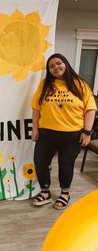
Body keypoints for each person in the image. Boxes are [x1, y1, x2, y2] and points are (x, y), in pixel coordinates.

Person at [31, 53, 96, 210]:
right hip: (46, 133)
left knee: (65, 164)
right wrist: (34, 129)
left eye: (58, 63)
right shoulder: (44, 84)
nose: (55, 67)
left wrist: (87, 132)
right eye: (51, 66)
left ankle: (65, 193)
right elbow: (36, 108)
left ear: (65, 64)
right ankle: (45, 191)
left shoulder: (80, 84)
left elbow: (90, 109)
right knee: (40, 162)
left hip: (72, 134)